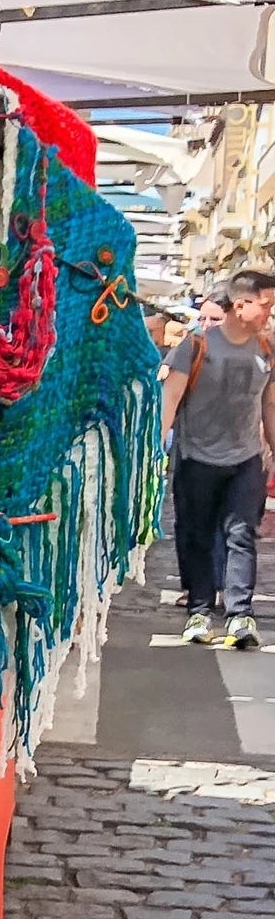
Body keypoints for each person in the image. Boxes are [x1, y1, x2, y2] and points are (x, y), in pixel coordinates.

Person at [163, 268, 275, 647]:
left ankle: (240, 616)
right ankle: (199, 612)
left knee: (242, 534)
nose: (270, 314)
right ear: (241, 305)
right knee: (196, 535)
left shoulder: (266, 350)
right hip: (197, 459)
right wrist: (154, 451)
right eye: (266, 306)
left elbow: (268, 405)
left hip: (246, 460)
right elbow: (170, 401)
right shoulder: (196, 346)